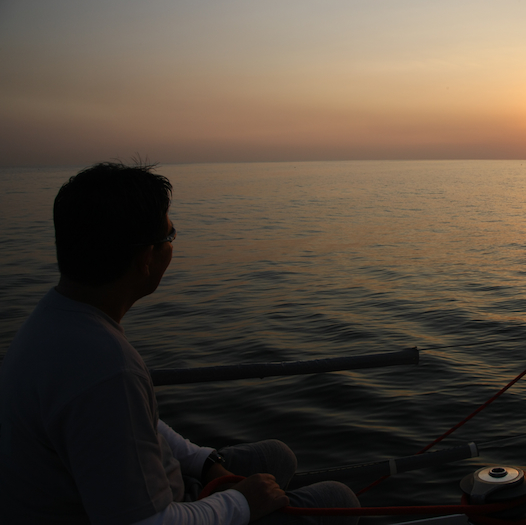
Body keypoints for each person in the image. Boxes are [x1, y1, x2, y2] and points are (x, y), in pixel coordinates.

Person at [0, 162, 359, 524]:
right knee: (339, 498)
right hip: (163, 511)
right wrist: (242, 503)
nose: (172, 245)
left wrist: (204, 463)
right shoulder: (107, 368)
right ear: (146, 259)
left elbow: (136, 424)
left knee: (277, 457)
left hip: (160, 484)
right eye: (170, 237)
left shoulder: (53, 321)